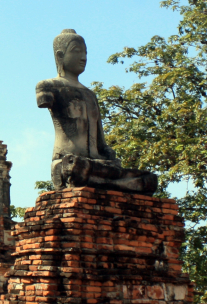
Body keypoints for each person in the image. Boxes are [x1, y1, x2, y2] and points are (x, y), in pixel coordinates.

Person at [35, 29, 157, 193]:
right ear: (60, 56)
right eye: (76, 51)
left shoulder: (90, 95)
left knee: (149, 179)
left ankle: (112, 183)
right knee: (78, 169)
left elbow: (101, 142)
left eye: (85, 52)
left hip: (98, 164)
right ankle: (115, 183)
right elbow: (43, 102)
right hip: (68, 162)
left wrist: (109, 154)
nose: (83, 57)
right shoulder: (49, 86)